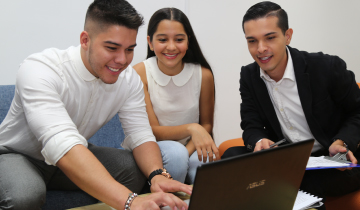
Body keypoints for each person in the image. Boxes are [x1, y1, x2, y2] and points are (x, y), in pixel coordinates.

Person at [0, 0, 192, 210]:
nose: (122, 60)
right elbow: (61, 143)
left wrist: (156, 174)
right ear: (85, 40)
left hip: (71, 153)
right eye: (112, 48)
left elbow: (140, 135)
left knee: (135, 170)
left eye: (129, 49)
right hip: (18, 155)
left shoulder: (128, 79)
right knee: (25, 195)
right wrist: (131, 201)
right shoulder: (40, 69)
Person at [223, 1, 360, 209]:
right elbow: (251, 124)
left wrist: (342, 142)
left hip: (334, 159)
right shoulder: (249, 75)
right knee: (230, 158)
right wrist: (260, 140)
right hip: (289, 159)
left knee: (299, 181)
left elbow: (357, 112)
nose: (261, 49)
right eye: (252, 41)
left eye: (270, 38)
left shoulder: (326, 67)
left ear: (287, 35)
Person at [133, 7, 219, 184]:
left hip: (191, 146)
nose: (171, 47)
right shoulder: (140, 73)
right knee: (175, 155)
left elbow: (206, 125)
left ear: (188, 41)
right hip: (153, 145)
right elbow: (152, 131)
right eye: (163, 40)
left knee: (208, 163)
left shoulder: (203, 75)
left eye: (179, 39)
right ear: (150, 42)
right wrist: (191, 128)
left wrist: (187, 151)